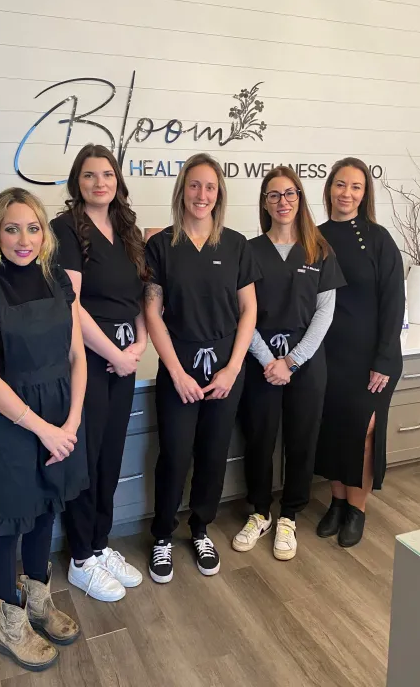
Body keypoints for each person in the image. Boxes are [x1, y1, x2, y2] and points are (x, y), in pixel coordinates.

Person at [0, 187, 87, 672]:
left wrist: (71, 421)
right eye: (11, 228)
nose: (23, 238)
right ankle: (10, 625)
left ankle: (39, 601)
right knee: (8, 525)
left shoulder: (58, 281)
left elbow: (77, 357)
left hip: (60, 417)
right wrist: (46, 431)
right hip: (9, 424)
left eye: (33, 228)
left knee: (44, 514)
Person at [144, 153, 259, 584]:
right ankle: (161, 536)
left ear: (219, 195)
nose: (202, 194)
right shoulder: (161, 246)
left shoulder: (235, 245)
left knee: (213, 454)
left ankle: (200, 528)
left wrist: (231, 369)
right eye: (195, 185)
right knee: (174, 455)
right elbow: (153, 314)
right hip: (180, 367)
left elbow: (248, 311)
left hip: (226, 369)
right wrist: (176, 372)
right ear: (182, 190)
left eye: (210, 187)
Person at [232, 167, 345, 560]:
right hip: (260, 361)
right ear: (264, 202)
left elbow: (325, 314)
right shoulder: (249, 250)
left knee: (301, 441)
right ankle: (260, 512)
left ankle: (289, 516)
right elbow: (243, 312)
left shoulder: (319, 249)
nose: (283, 202)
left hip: (307, 363)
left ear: (300, 199)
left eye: (290, 193)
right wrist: (269, 360)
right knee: (259, 440)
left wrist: (292, 362)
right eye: (274, 195)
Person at [51, 143, 148, 603]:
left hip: (124, 359)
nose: (99, 183)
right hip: (87, 360)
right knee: (85, 459)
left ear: (117, 179)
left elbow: (144, 293)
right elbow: (71, 304)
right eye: (89, 176)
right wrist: (115, 352)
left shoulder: (127, 226)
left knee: (111, 455)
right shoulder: (66, 228)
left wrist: (141, 344)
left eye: (106, 174)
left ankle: (101, 543)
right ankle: (81, 557)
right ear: (77, 182)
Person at [316, 157, 405, 547]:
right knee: (334, 431)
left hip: (373, 358)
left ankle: (357, 509)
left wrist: (384, 359)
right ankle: (336, 502)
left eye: (355, 187)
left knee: (365, 433)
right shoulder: (313, 236)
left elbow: (394, 302)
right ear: (329, 189)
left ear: (365, 193)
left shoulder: (378, 238)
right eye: (340, 185)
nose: (346, 193)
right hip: (326, 355)